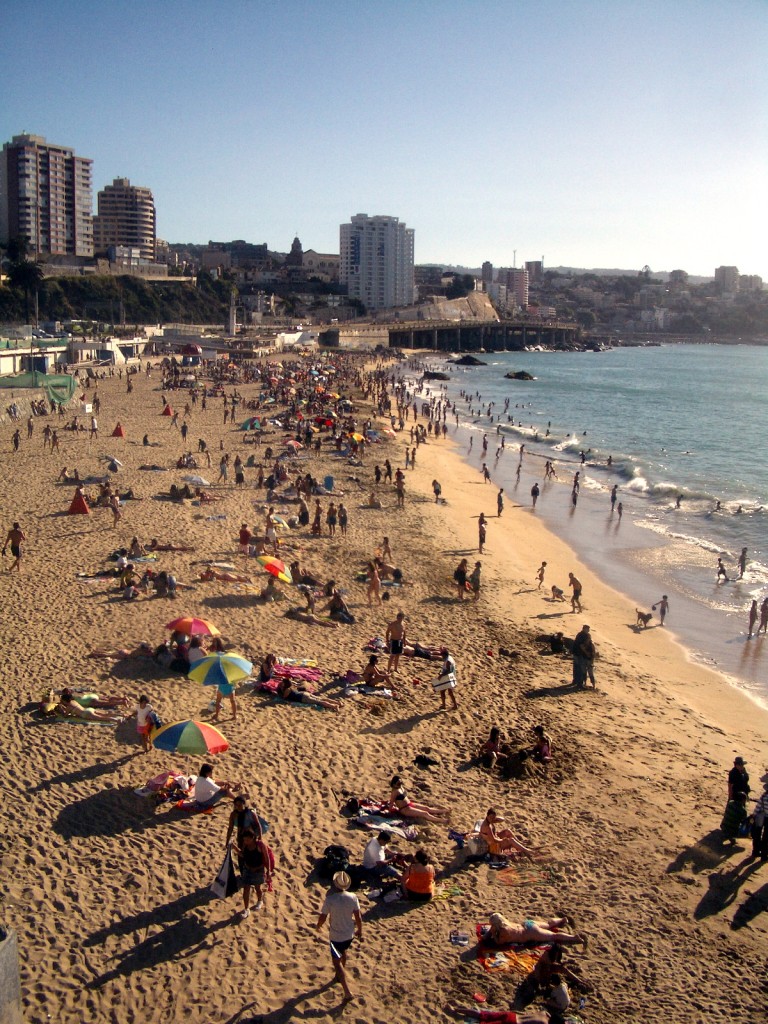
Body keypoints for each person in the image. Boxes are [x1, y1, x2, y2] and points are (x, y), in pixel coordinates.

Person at [316, 871, 362, 1002]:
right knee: (344, 951)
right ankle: (339, 975)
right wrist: (360, 930)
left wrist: (318, 926)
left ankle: (347, 991)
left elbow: (323, 916)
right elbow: (358, 916)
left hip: (336, 936)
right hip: (349, 934)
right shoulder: (353, 897)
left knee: (336, 962)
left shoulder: (330, 899)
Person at [487, 912, 587, 949]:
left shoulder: (504, 932)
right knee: (548, 924)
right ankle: (562, 920)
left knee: (553, 936)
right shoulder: (507, 923)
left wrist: (493, 934)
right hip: (528, 924)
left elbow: (499, 942)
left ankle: (573, 938)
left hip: (530, 933)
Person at [234, 827, 272, 918]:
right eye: (244, 839)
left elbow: (266, 858)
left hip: (258, 870)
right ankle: (246, 909)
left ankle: (260, 901)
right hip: (247, 870)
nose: (246, 841)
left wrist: (268, 872)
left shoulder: (260, 845)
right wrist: (233, 847)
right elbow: (242, 854)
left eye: (247, 839)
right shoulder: (245, 844)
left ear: (252, 838)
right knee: (246, 889)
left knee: (257, 888)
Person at [572, 624, 596, 688]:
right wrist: (587, 653)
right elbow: (581, 646)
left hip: (578, 654)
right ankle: (580, 683)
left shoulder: (580, 634)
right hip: (579, 654)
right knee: (580, 669)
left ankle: (577, 681)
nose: (588, 630)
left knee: (578, 668)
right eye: (588, 629)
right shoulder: (583, 635)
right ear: (584, 629)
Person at [751, 781, 768, 862]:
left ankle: (755, 851)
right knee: (766, 838)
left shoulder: (764, 796)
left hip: (761, 817)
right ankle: (764, 855)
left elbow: (758, 807)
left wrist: (753, 816)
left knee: (757, 835)